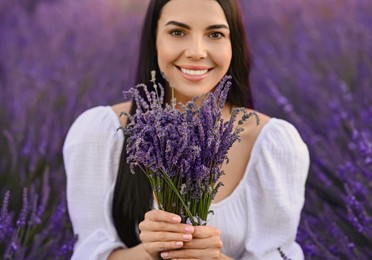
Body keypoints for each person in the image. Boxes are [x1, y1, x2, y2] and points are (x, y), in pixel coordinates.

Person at [63, 0, 310, 259]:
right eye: (178, 32)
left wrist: (214, 257)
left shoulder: (271, 144)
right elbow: (88, 252)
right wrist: (152, 251)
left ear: (232, 44)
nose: (196, 51)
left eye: (215, 34)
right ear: (154, 38)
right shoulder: (101, 133)